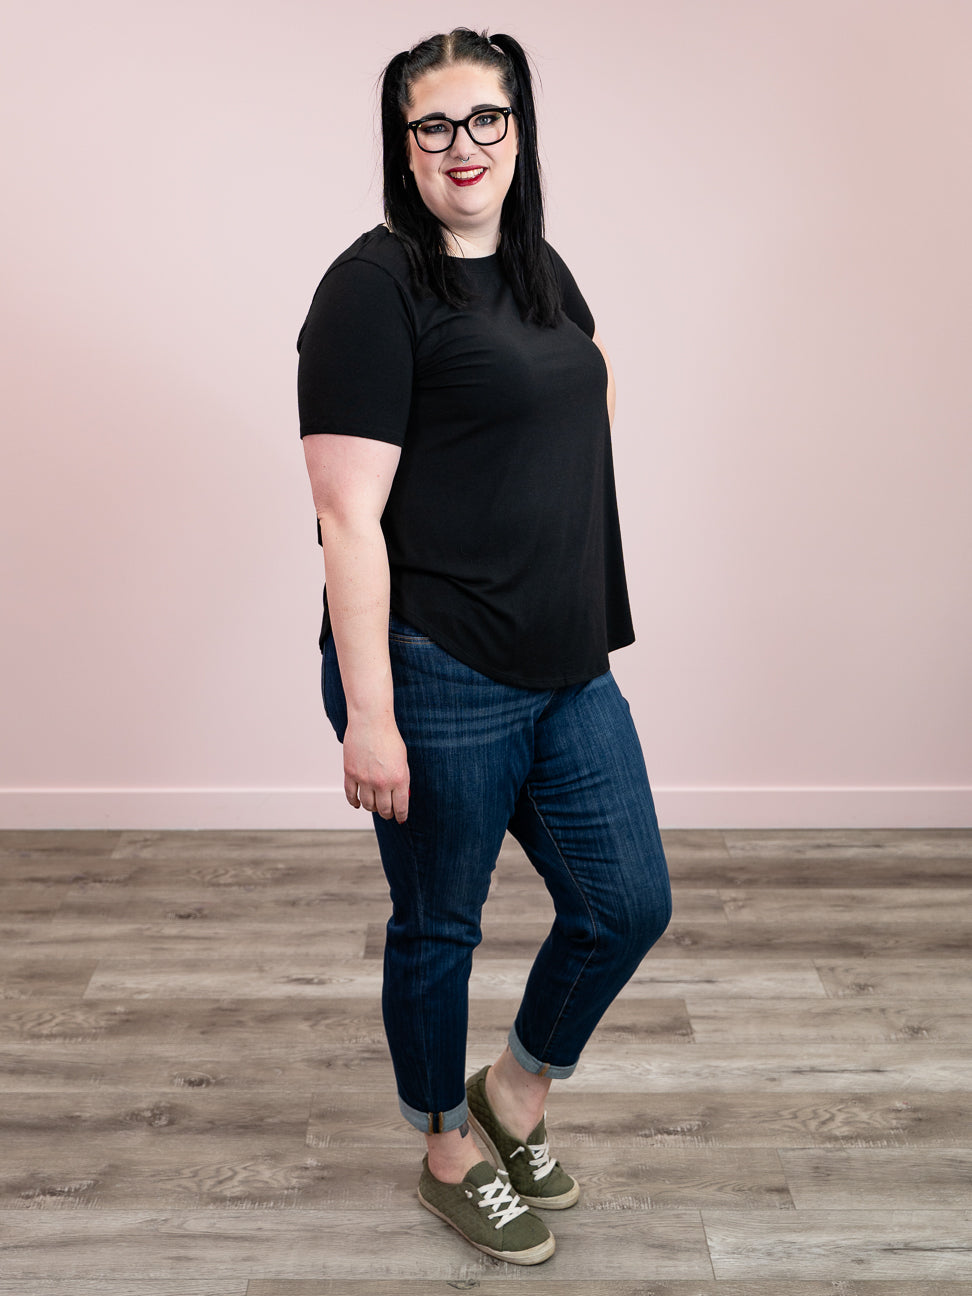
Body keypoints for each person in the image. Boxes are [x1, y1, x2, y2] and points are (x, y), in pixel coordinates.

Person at [297, 27, 672, 1266]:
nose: (464, 146)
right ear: (402, 145)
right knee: (438, 929)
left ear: (520, 129)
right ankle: (448, 1151)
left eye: (486, 119)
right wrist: (370, 714)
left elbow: (585, 383)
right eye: (434, 125)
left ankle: (513, 1096)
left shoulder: (536, 266)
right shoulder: (372, 289)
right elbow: (346, 516)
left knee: (626, 903)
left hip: (565, 660)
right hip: (436, 663)